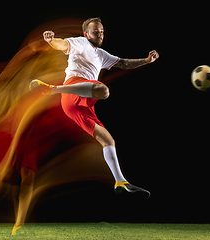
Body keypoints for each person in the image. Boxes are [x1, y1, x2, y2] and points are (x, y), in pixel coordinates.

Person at [29, 17, 159, 198]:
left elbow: (123, 63)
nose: (100, 34)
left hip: (83, 104)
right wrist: (52, 41)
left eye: (102, 31)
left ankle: (120, 181)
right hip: (73, 91)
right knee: (103, 91)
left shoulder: (101, 54)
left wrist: (146, 60)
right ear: (86, 34)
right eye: (96, 31)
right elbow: (63, 45)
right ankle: (52, 89)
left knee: (108, 140)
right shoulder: (81, 43)